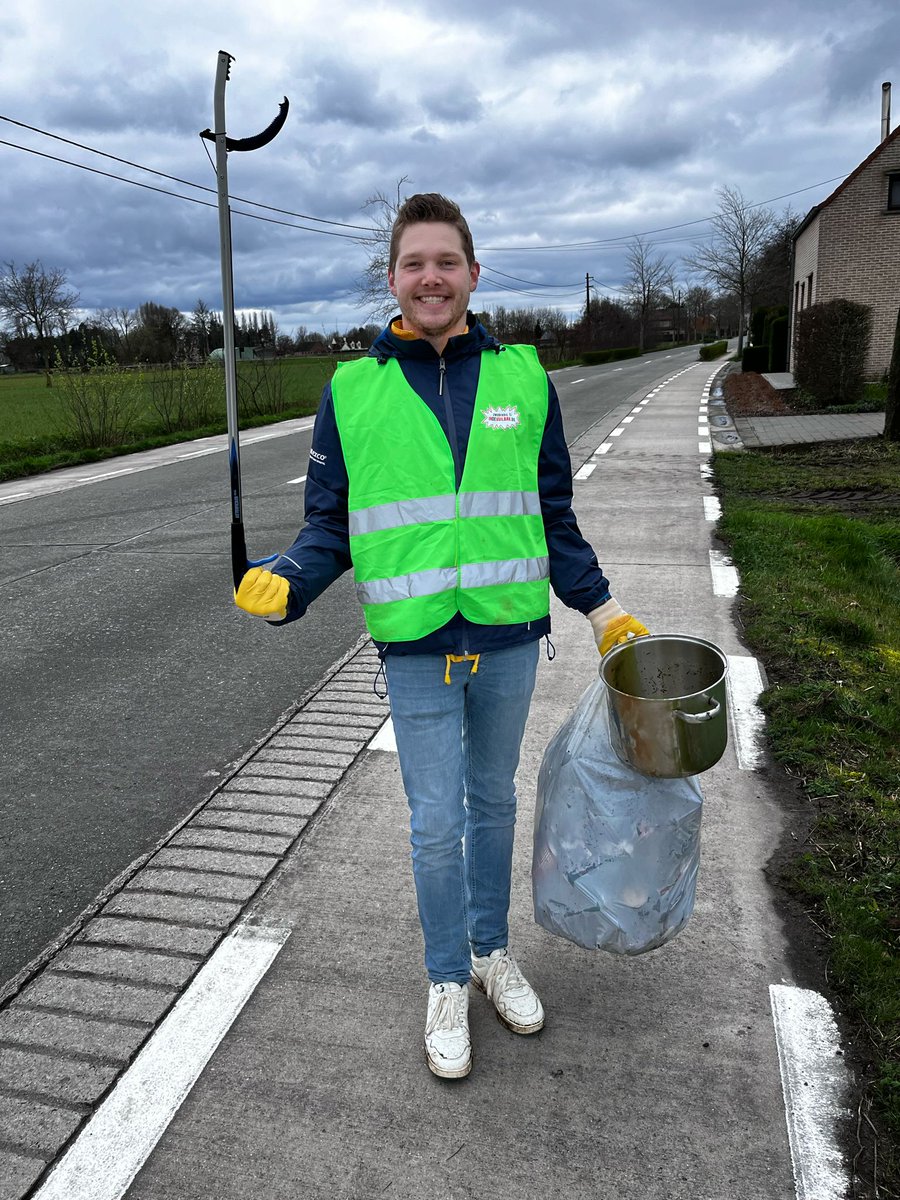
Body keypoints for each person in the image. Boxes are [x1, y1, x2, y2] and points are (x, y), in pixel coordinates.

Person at [234, 193, 648, 1080]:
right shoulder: (352, 390)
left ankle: (492, 953)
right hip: (418, 645)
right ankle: (444, 978)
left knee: (493, 803)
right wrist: (292, 583)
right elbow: (328, 525)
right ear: (393, 278)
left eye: (446, 262)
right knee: (433, 825)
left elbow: (552, 513)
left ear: (471, 272)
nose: (432, 277)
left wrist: (601, 607)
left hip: (504, 636)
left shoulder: (524, 378)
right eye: (415, 263)